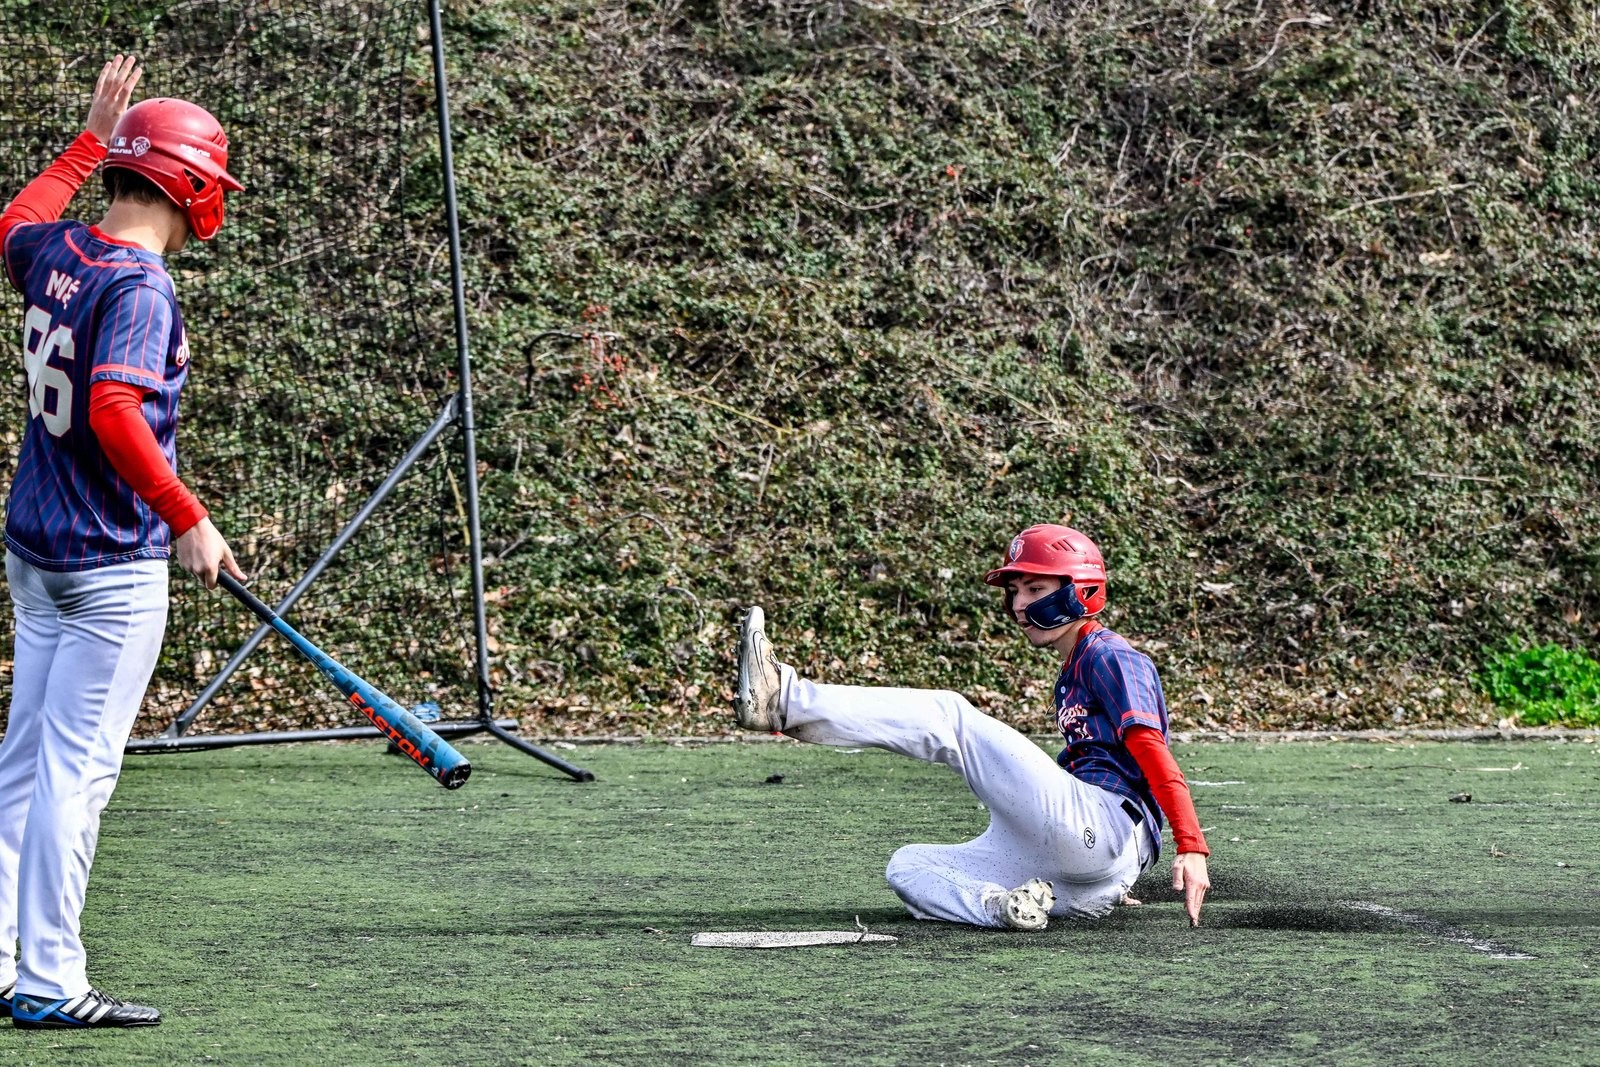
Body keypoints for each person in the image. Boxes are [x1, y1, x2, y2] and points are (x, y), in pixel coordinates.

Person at [0, 56, 246, 1029]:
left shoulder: (57, 251)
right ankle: (51, 980)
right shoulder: (142, 286)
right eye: (208, 186)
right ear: (186, 185)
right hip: (107, 564)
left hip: (38, 552)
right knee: (74, 769)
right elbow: (112, 406)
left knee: (27, 758)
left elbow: (12, 222)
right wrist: (186, 513)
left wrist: (85, 142)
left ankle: (8, 956)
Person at [735, 523, 1211, 931]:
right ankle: (1000, 907)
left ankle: (784, 701)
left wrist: (1191, 846)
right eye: (1015, 591)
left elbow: (1152, 751)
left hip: (1103, 828)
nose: (1019, 604)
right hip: (1083, 879)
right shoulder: (1075, 665)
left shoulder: (1111, 655)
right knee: (909, 865)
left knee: (951, 716)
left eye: (1036, 589)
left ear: (1082, 591)